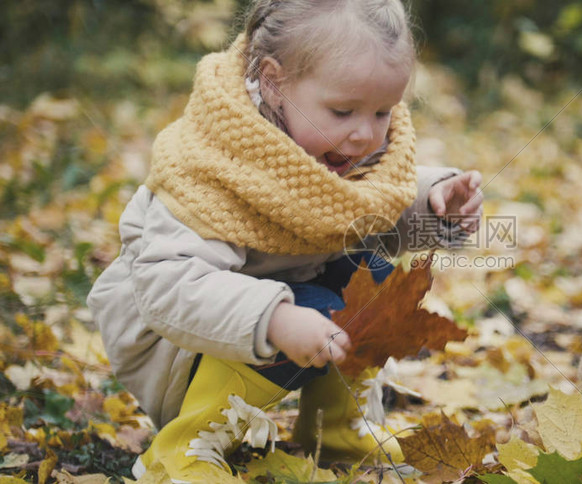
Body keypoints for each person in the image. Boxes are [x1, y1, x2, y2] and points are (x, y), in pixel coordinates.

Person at [87, 0, 483, 481]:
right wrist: (272, 318)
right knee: (316, 302)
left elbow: (372, 215)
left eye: (383, 112)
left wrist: (436, 206)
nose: (365, 135)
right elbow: (167, 285)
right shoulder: (211, 168)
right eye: (342, 111)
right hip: (175, 345)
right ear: (274, 83)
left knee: (372, 271)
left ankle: (333, 428)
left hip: (272, 318)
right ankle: (180, 447)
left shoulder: (331, 148)